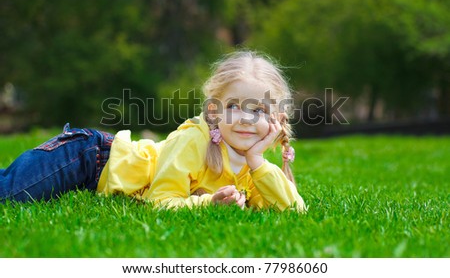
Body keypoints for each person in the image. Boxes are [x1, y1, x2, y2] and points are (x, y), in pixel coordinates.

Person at [0, 51, 306, 212]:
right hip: (87, 157)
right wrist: (207, 203)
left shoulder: (254, 167)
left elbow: (294, 211)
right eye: (234, 106)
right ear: (213, 110)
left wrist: (256, 160)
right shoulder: (195, 140)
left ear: (277, 120)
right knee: (9, 194)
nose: (246, 119)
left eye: (259, 110)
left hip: (92, 170)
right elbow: (162, 200)